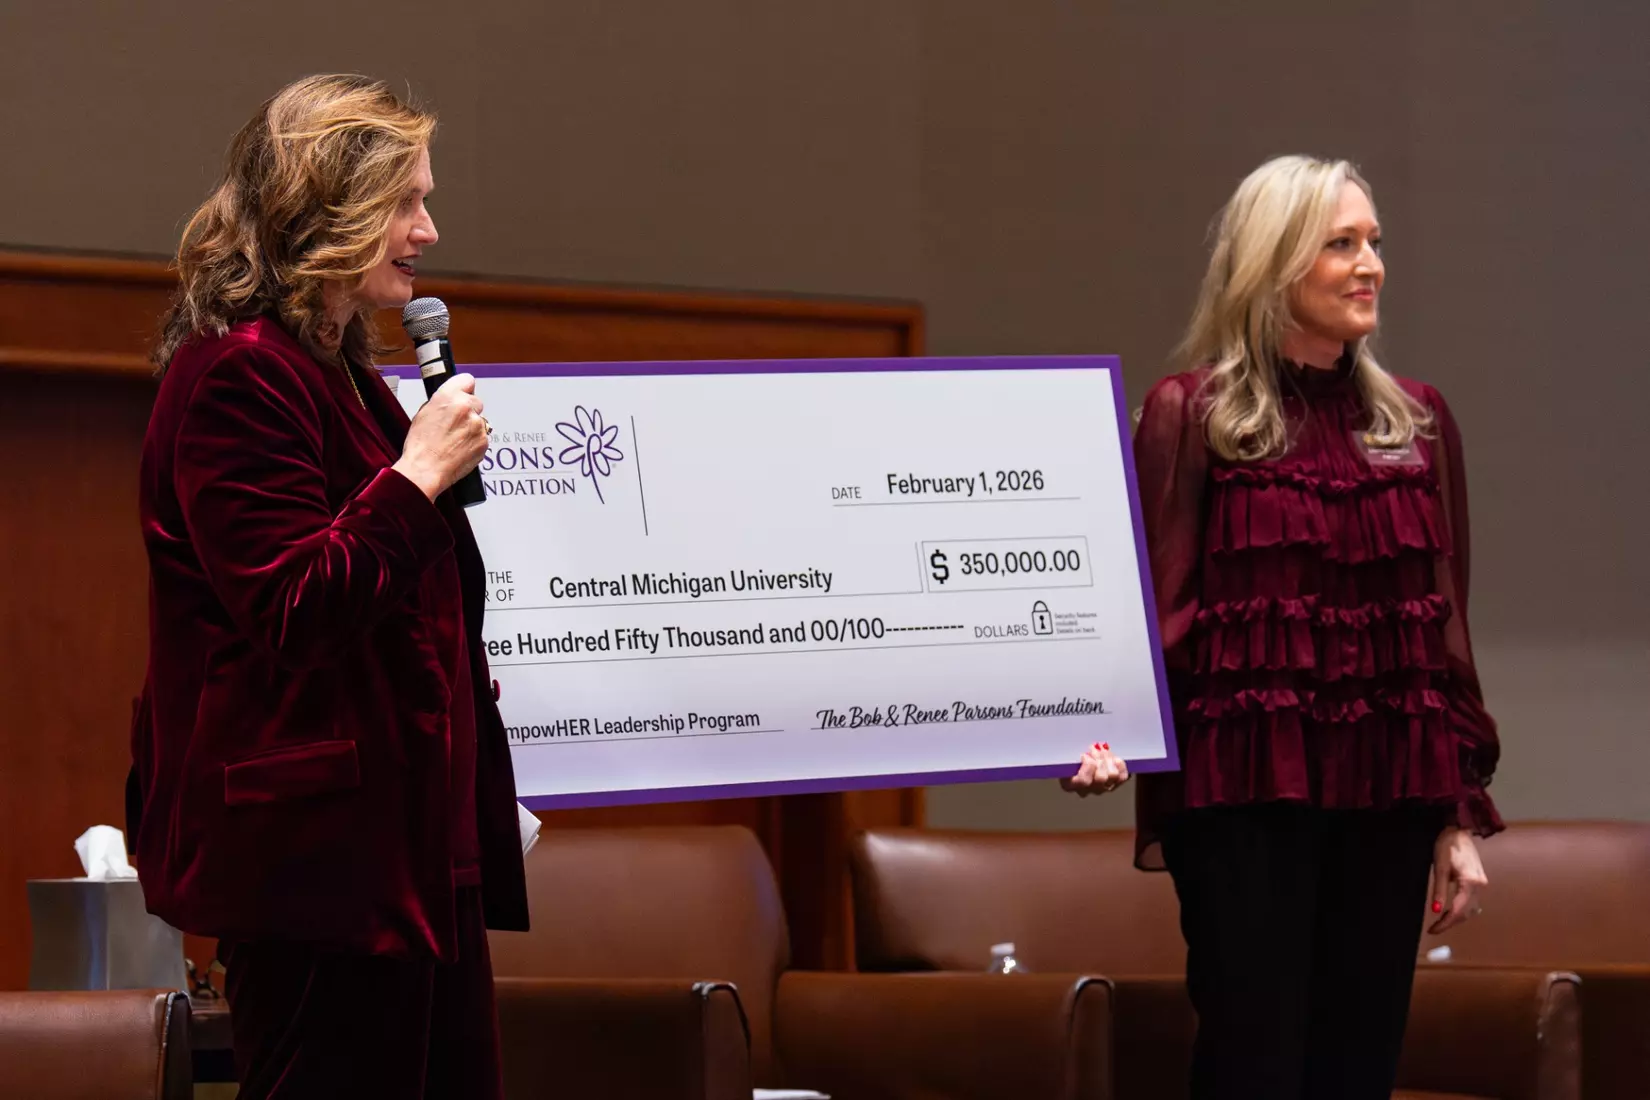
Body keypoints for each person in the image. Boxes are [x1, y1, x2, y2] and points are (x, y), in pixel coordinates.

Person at [1064, 155, 1501, 1099]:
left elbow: (1442, 642)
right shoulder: (1193, 415)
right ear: (1273, 263)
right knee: (1253, 1064)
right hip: (1245, 794)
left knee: (1358, 1069)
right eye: (1341, 244)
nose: (1371, 264)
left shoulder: (1416, 422)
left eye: (1373, 241)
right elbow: (1154, 611)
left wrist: (1455, 814)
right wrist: (1099, 728)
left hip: (1388, 794)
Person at [126, 74, 527, 1100]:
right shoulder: (238, 372)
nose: (428, 230)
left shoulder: (334, 369)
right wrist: (416, 476)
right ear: (328, 211)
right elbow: (294, 607)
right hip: (320, 867)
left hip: (407, 851)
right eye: (406, 203)